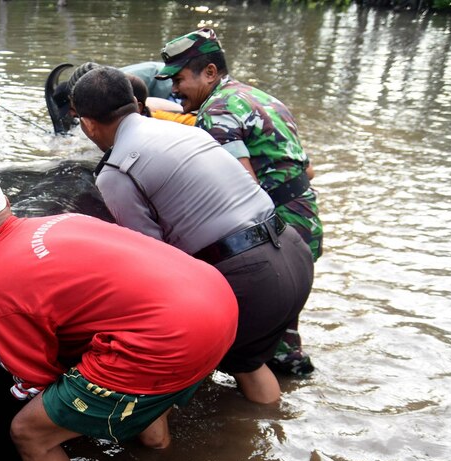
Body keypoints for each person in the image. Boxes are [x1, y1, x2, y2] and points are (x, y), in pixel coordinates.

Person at [0, 167, 238, 461]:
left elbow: (36, 380)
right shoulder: (67, 220)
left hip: (167, 339)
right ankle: (157, 448)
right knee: (129, 347)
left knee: (30, 433)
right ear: (6, 203)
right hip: (217, 304)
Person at [71, 66, 314, 405]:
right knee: (248, 362)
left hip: (251, 278)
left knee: (171, 366)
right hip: (294, 253)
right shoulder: (190, 131)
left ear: (88, 123)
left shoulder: (115, 172)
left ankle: (171, 447)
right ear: (136, 104)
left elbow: (152, 260)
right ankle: (271, 440)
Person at [154, 28, 322, 376]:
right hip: (304, 221)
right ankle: (293, 389)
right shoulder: (262, 98)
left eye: (180, 79)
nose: (173, 89)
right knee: (283, 325)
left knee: (251, 339)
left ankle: (265, 401)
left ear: (210, 73)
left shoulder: (216, 112)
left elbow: (241, 190)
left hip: (274, 233)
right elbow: (310, 170)